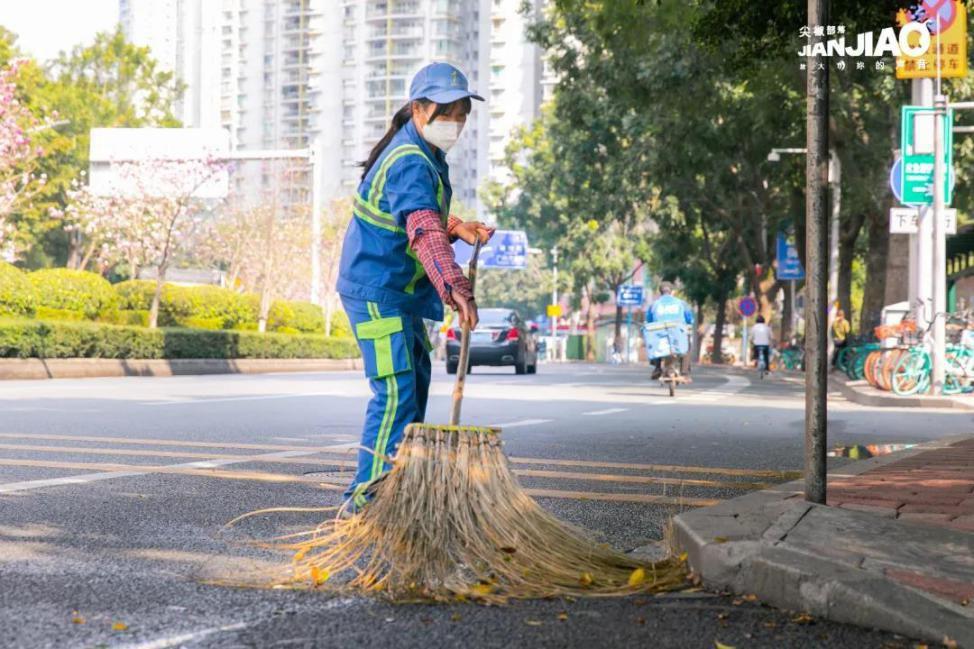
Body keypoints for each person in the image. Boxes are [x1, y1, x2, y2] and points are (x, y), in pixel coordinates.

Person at [336, 62, 494, 511]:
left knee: (417, 382)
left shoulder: (423, 154)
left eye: (462, 112)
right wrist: (456, 286)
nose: (456, 122)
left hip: (400, 293)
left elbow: (421, 215)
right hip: (375, 291)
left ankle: (397, 490)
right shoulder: (409, 160)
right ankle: (365, 502)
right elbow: (422, 229)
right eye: (447, 111)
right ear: (419, 109)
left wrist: (457, 227)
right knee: (395, 388)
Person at [645, 282, 694, 380]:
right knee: (687, 346)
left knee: (654, 340)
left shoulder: (654, 304)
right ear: (672, 292)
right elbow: (690, 319)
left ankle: (657, 368)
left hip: (660, 333)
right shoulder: (681, 303)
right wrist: (689, 322)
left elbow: (649, 320)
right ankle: (685, 373)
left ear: (660, 293)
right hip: (677, 334)